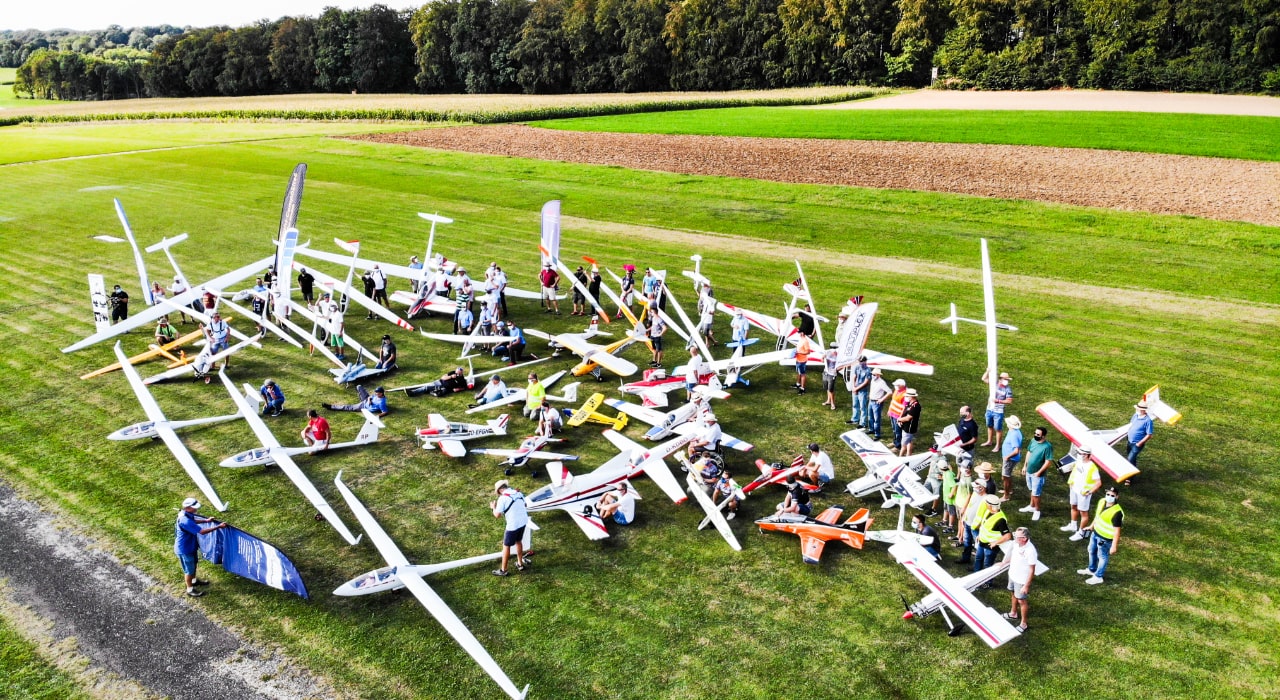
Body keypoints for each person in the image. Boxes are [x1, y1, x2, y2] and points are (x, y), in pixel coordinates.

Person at [174, 497, 227, 597]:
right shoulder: (185, 520)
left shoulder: (186, 514)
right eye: (194, 508)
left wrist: (206, 521)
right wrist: (218, 527)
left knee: (194, 564)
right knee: (189, 570)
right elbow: (202, 532)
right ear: (187, 507)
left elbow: (194, 521)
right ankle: (190, 590)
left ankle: (194, 581)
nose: (196, 509)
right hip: (185, 549)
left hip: (190, 546)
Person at [1078, 487, 1124, 585]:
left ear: (1117, 497)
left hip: (1105, 538)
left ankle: (1098, 576)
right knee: (1091, 550)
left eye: (1112, 495)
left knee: (1102, 556)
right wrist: (1091, 526)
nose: (1109, 497)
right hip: (1095, 533)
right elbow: (1098, 516)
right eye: (1108, 494)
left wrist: (1114, 546)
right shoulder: (1102, 502)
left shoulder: (1117, 513)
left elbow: (1117, 531)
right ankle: (1092, 569)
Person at [490, 480, 530, 576]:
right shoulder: (518, 493)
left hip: (513, 525)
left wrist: (493, 507)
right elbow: (525, 505)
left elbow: (497, 515)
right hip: (523, 521)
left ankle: (503, 570)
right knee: (518, 541)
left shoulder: (502, 498)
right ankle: (520, 564)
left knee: (506, 546)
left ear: (500, 490)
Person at [1062, 447, 1101, 539]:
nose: (1079, 454)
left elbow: (1098, 482)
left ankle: (1081, 533)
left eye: (1081, 453)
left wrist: (1090, 491)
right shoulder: (1079, 462)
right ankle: (1073, 525)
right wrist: (1070, 482)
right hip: (1074, 489)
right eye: (1078, 453)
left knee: (1083, 513)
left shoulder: (1092, 467)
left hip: (1083, 493)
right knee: (1073, 507)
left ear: (1087, 455)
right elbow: (1074, 472)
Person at [1005, 527, 1038, 633]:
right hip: (1012, 575)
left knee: (1021, 600)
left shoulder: (1030, 551)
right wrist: (1004, 563)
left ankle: (1024, 623)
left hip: (1021, 580)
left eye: (1017, 536)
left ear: (1024, 538)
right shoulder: (1016, 544)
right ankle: (1013, 613)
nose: (1014, 537)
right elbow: (1013, 557)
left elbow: (1032, 570)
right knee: (1013, 593)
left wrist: (1026, 586)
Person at [1018, 426, 1054, 521]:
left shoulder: (1047, 447)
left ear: (1043, 436)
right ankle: (1031, 506)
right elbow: (1029, 452)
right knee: (1032, 490)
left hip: (1037, 474)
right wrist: (1025, 466)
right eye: (1035, 433)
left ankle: (1037, 510)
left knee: (1036, 493)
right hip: (1029, 471)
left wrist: (1039, 472)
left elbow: (1048, 462)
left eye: (1038, 434)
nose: (1035, 435)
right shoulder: (1033, 441)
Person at [955, 479, 989, 565]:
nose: (974, 488)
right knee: (967, 542)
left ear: (982, 488)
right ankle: (966, 558)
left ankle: (978, 565)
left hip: (976, 527)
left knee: (979, 546)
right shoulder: (975, 494)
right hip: (967, 522)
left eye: (976, 486)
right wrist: (964, 518)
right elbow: (970, 506)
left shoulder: (986, 499)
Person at [974, 495, 1010, 572]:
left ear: (990, 505)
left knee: (988, 564)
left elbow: (1007, 536)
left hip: (990, 546)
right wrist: (979, 535)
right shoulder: (988, 511)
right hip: (982, 541)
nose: (985, 504)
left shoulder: (1001, 520)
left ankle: (988, 583)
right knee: (978, 557)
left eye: (986, 503)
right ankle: (976, 573)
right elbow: (984, 525)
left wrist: (995, 543)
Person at [980, 371, 1014, 452]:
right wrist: (988, 371)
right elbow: (983, 378)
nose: (1007, 381)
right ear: (1001, 379)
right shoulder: (994, 384)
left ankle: (998, 446)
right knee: (989, 426)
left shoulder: (1008, 389)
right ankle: (989, 441)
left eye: (1007, 379)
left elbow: (1009, 401)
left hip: (998, 412)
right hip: (989, 409)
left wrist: (998, 401)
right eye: (1006, 379)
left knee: (998, 429)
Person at [999, 415, 1024, 502]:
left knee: (1005, 477)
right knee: (1007, 475)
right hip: (1010, 459)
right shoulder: (1015, 431)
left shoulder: (1014, 434)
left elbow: (1016, 450)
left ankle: (1006, 495)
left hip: (1010, 459)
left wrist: (1007, 457)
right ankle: (1009, 490)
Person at [325, 386, 389, 417]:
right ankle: (360, 395)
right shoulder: (376, 395)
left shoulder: (381, 403)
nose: (376, 394)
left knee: (348, 407)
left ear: (381, 393)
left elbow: (385, 412)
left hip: (363, 406)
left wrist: (377, 416)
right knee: (359, 386)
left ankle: (331, 407)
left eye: (377, 393)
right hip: (366, 400)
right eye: (376, 392)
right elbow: (370, 397)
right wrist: (369, 400)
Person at [1126, 400, 1154, 470]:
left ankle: (1128, 479)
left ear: (1144, 410)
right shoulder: (1135, 415)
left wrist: (1139, 443)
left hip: (1137, 444)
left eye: (1140, 409)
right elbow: (1131, 424)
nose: (1138, 410)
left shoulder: (1148, 421)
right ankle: (1131, 474)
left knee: (1129, 460)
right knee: (1132, 460)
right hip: (1129, 441)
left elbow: (1149, 435)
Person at [862, 368, 890, 438]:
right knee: (870, 417)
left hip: (877, 403)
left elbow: (889, 392)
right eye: (872, 374)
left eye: (874, 375)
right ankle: (871, 429)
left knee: (876, 419)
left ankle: (877, 434)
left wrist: (882, 399)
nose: (872, 375)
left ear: (878, 375)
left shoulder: (882, 382)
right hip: (871, 401)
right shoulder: (873, 381)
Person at [897, 388, 922, 457]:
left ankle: (900, 458)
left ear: (911, 397)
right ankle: (908, 457)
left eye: (907, 396)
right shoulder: (909, 404)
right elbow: (904, 413)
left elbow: (908, 418)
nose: (905, 397)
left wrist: (899, 420)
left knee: (903, 445)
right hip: (905, 427)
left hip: (909, 429)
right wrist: (901, 419)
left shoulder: (915, 406)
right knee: (909, 442)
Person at [850, 355, 872, 424]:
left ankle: (862, 423)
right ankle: (855, 419)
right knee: (855, 405)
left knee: (863, 407)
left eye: (861, 362)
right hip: (855, 389)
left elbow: (866, 382)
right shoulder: (857, 367)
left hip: (863, 391)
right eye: (859, 362)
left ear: (865, 361)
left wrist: (856, 389)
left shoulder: (868, 370)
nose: (860, 363)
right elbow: (854, 377)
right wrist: (853, 387)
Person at [887, 379, 907, 449]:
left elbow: (904, 407)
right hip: (892, 413)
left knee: (898, 431)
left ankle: (898, 446)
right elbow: (893, 401)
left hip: (898, 415)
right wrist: (889, 410)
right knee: (894, 429)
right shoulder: (896, 390)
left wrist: (900, 417)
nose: (895, 386)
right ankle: (895, 441)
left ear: (902, 386)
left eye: (897, 385)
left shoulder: (905, 394)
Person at [821, 344, 840, 411]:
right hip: (826, 372)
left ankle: (832, 403)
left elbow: (840, 365)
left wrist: (837, 369)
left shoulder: (838, 355)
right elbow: (822, 359)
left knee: (830, 389)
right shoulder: (827, 352)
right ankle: (828, 401)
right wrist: (823, 358)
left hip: (832, 374)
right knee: (827, 388)